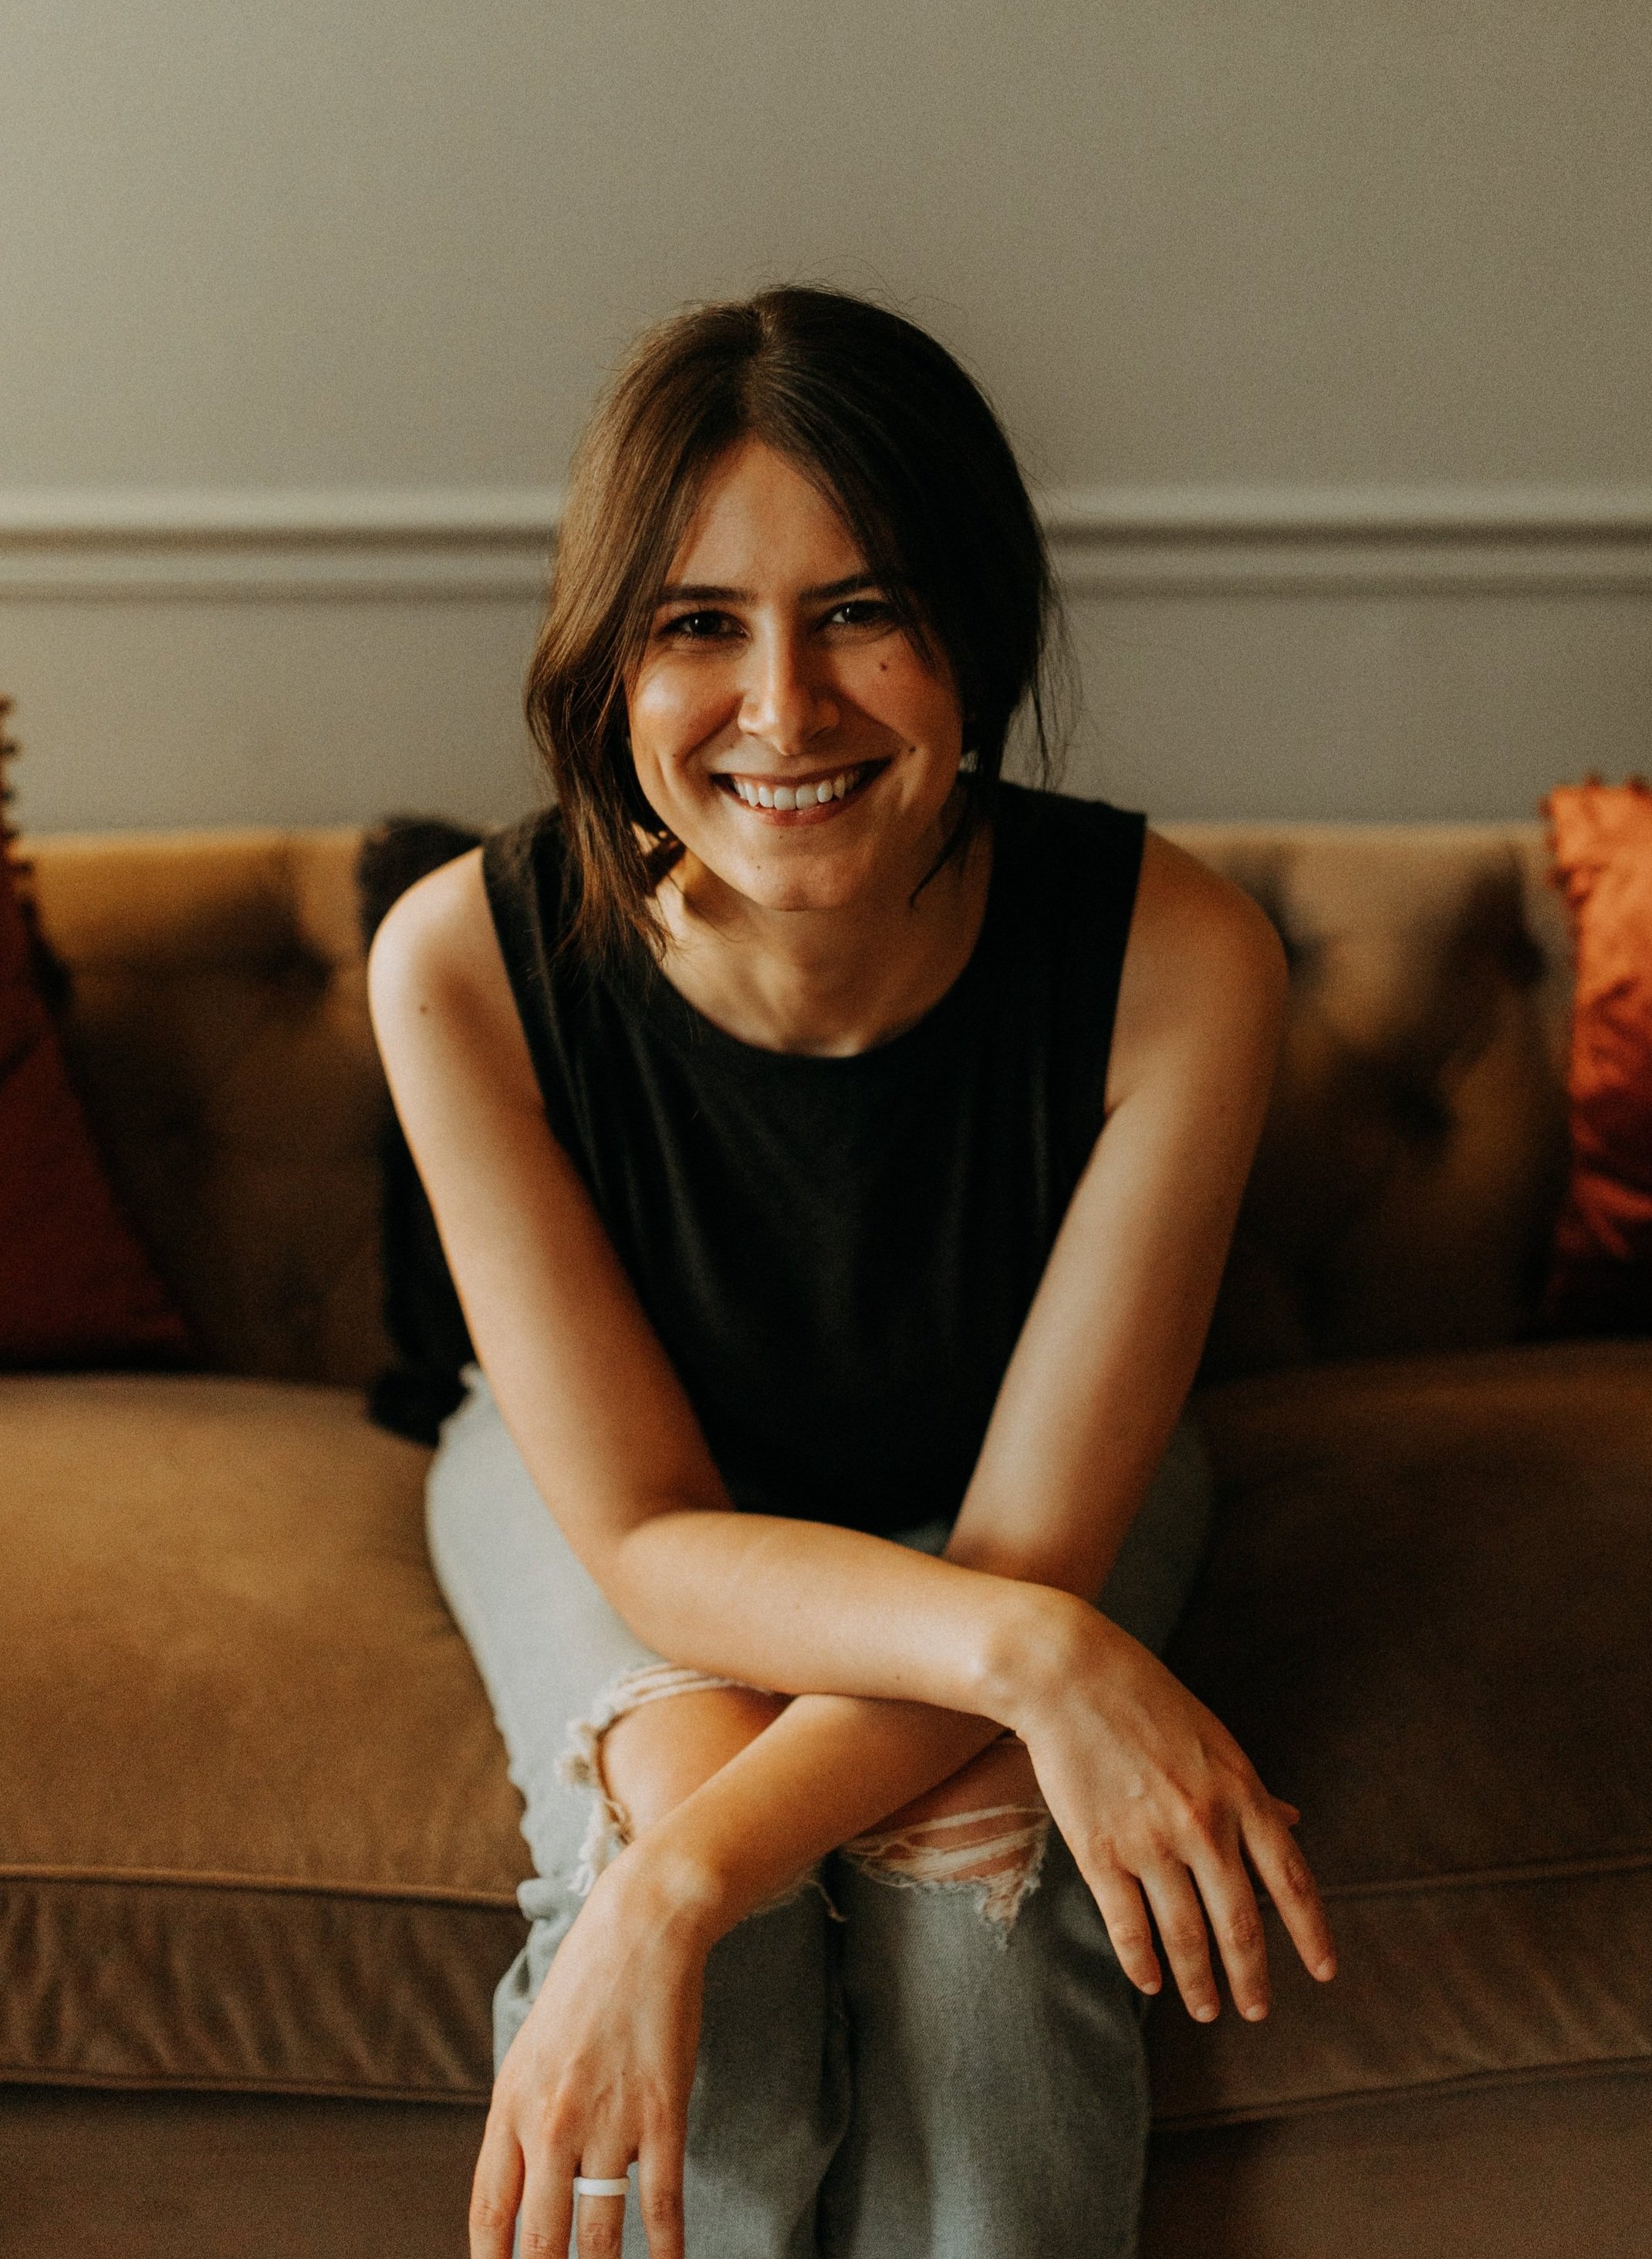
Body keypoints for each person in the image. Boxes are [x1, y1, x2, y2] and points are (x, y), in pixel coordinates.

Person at [368, 285, 1336, 2259]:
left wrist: (1023, 1641)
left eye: (864, 610)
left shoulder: (1183, 960)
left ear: (975, 630)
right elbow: (649, 1534)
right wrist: (689, 1873)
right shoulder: (460, 962)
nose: (785, 706)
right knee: (695, 1877)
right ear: (607, 665)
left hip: (1018, 1496)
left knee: (975, 1898)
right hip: (636, 1491)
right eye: (695, 624)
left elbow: (1030, 1548)